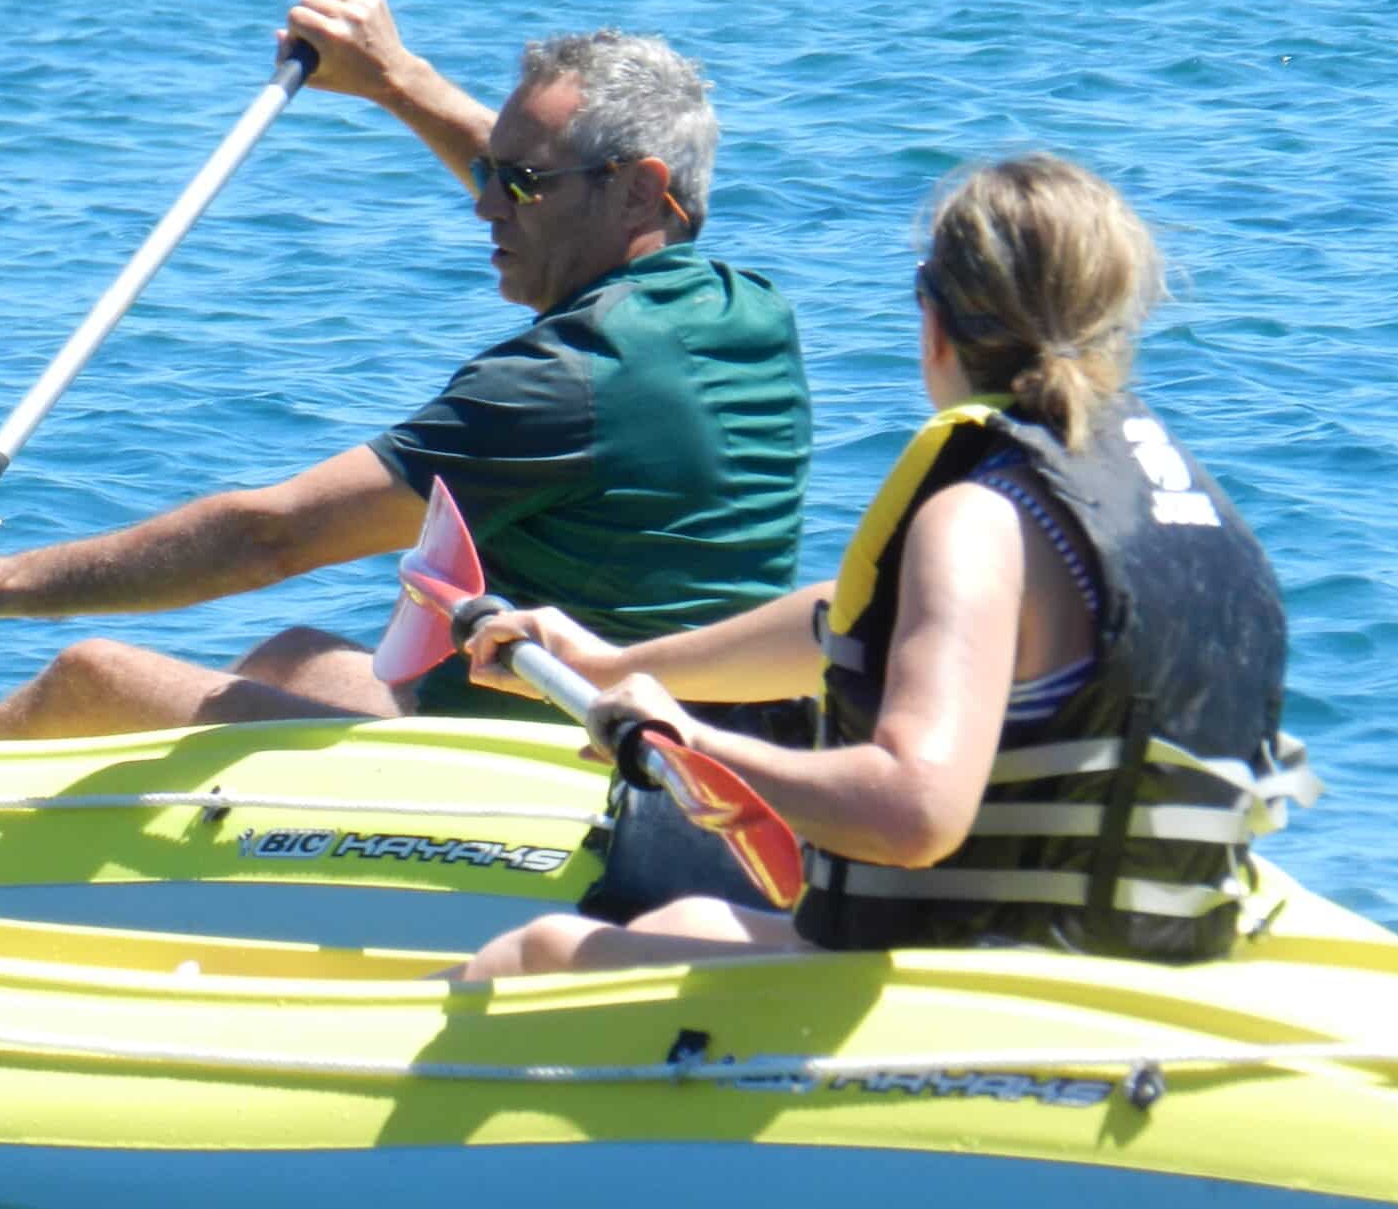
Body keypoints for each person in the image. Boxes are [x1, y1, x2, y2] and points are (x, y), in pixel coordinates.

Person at [0, 0, 811, 740]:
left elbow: (269, 534)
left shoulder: (558, 383)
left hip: (527, 767)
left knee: (91, 671)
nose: (485, 203)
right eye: (490, 169)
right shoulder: (746, 314)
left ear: (641, 188)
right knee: (299, 660)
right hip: (653, 730)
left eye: (518, 183)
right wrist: (393, 79)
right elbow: (553, 204)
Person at [452, 151, 1310, 978]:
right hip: (1152, 956)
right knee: (688, 921)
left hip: (975, 985)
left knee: (533, 955)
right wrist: (614, 666)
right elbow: (853, 622)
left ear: (933, 320)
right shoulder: (1168, 499)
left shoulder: (976, 517)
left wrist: (683, 745)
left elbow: (913, 811)